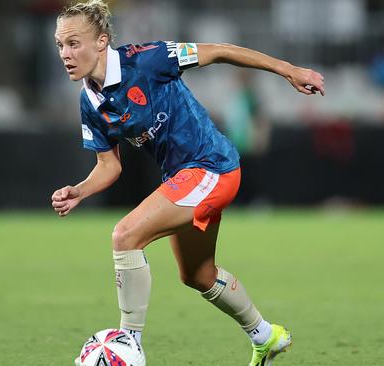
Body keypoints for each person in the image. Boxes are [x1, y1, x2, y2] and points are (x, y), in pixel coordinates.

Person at [50, 1, 324, 365]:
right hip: (184, 179)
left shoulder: (148, 59)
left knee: (125, 236)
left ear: (101, 42)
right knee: (198, 275)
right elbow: (109, 166)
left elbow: (221, 51)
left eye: (73, 43)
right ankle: (265, 335)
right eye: (59, 45)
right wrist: (79, 190)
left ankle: (127, 342)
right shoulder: (90, 100)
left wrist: (288, 69)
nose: (65, 54)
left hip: (212, 167)